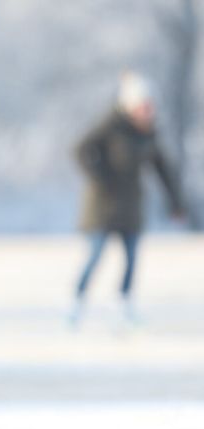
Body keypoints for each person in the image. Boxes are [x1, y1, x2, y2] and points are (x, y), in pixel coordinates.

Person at [72, 71, 185, 325]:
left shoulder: (149, 134)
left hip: (131, 206)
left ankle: (125, 305)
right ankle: (77, 304)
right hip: (102, 206)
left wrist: (176, 203)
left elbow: (162, 169)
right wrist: (100, 176)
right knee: (95, 256)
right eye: (143, 106)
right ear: (131, 106)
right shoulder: (111, 126)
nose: (148, 111)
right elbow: (80, 149)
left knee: (132, 258)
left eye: (150, 106)